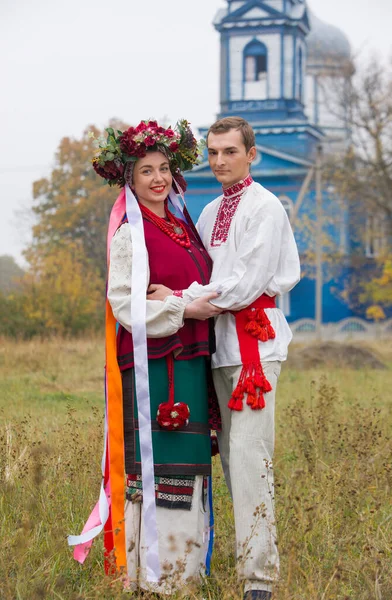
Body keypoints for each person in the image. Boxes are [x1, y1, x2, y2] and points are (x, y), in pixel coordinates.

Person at [148, 117, 301, 600]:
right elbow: (201, 268)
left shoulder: (266, 207)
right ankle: (227, 563)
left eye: (230, 152)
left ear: (250, 153)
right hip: (217, 347)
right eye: (212, 152)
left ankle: (259, 581)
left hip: (253, 348)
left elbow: (244, 283)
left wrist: (179, 302)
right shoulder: (211, 210)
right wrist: (181, 296)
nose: (219, 161)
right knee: (232, 463)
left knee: (251, 461)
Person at [68, 119, 221, 595]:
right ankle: (154, 577)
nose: (157, 178)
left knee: (190, 464)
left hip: (191, 364)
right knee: (159, 467)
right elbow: (124, 304)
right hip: (155, 367)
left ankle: (185, 574)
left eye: (163, 169)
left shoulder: (181, 226)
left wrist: (181, 298)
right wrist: (182, 307)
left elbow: (194, 288)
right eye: (146, 171)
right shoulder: (131, 235)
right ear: (130, 182)